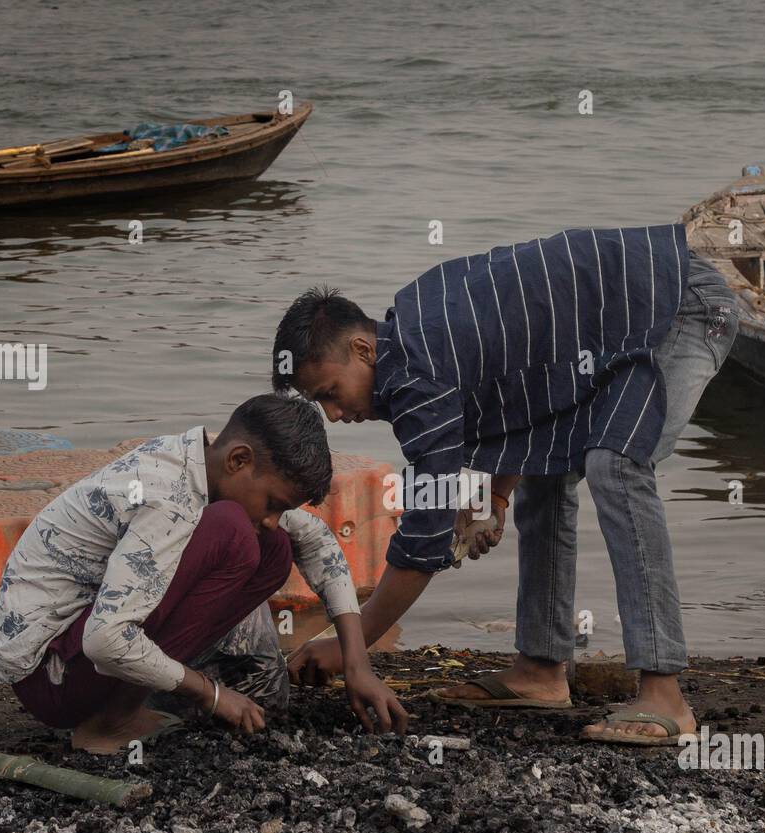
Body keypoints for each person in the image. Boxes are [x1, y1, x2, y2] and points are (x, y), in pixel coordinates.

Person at [272, 224, 738, 746]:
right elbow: (532, 399)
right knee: (547, 474)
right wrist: (494, 496)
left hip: (676, 307)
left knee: (616, 465)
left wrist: (351, 645)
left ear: (362, 348)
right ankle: (540, 670)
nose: (334, 415)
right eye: (321, 405)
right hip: (607, 330)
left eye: (331, 393)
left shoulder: (414, 372)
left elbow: (424, 533)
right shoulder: (418, 338)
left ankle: (665, 693)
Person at [0, 394, 406, 753]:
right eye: (273, 503)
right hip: (49, 677)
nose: (273, 518)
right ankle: (108, 725)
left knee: (274, 548)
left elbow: (316, 541)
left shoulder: (205, 466)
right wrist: (213, 696)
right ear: (239, 459)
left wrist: (357, 662)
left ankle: (130, 705)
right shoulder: (167, 497)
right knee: (232, 531)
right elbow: (104, 640)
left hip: (77, 655)